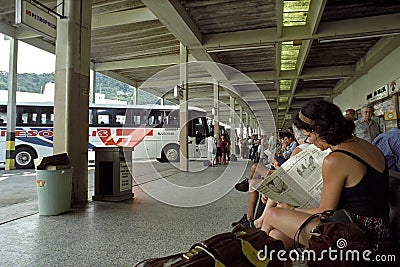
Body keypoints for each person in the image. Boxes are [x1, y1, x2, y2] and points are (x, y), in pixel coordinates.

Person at [261, 99, 391, 250]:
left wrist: (291, 209)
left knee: (272, 214)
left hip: (360, 236)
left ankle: (254, 255)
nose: (309, 142)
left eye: (308, 136)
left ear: (320, 130)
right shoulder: (366, 145)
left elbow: (325, 212)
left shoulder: (336, 159)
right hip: (380, 230)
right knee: (278, 237)